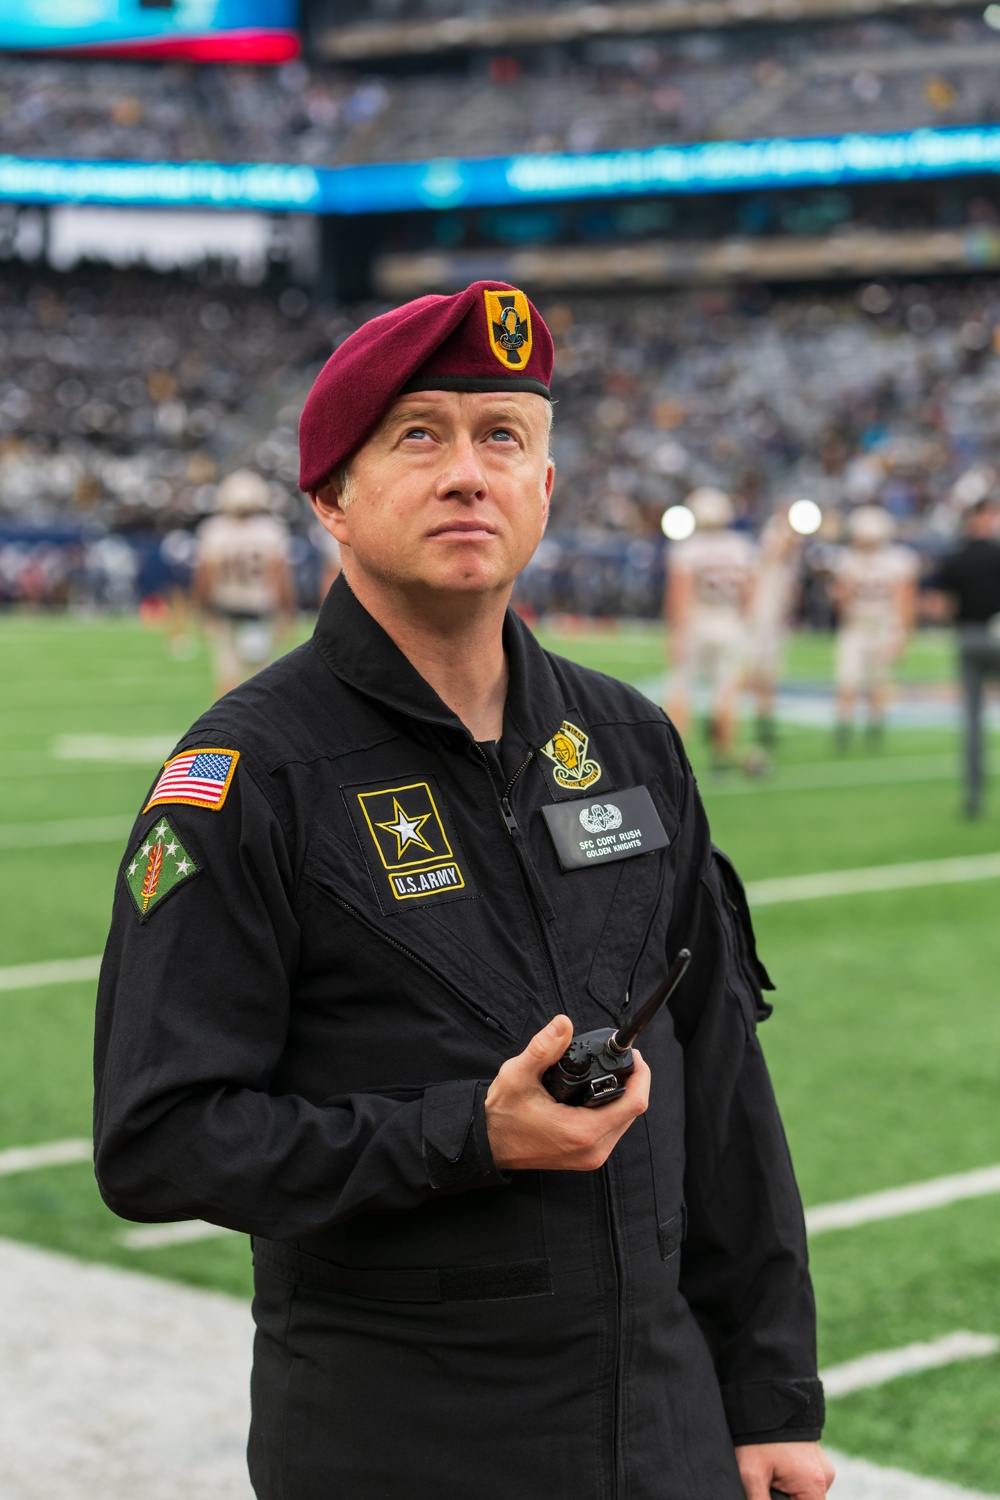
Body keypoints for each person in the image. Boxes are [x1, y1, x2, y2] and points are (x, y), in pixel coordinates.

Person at [93, 283, 832, 1500]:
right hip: (403, 1441)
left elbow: (721, 1082)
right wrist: (465, 1135)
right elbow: (157, 1143)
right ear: (330, 495)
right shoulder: (245, 775)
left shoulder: (629, 736)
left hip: (667, 1435)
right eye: (418, 435)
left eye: (503, 437)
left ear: (545, 487)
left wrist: (770, 1400)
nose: (467, 472)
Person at [665, 486, 756, 766]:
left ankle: (672, 756)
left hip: (697, 622)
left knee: (681, 688)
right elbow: (750, 592)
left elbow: (680, 596)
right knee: (726, 692)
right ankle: (723, 754)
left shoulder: (688, 549)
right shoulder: (742, 547)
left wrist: (676, 632)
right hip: (729, 623)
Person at [924, 498, 1000, 816]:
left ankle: (973, 796)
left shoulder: (956, 558)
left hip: (968, 637)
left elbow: (934, 601)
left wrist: (951, 620)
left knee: (972, 721)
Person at [193, 468, 296, 697]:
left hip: (226, 607)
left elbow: (203, 576)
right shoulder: (271, 531)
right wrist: (287, 610)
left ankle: (223, 727)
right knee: (261, 674)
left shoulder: (214, 531)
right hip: (259, 609)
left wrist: (203, 608)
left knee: (227, 674)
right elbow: (280, 577)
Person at [831, 504, 917, 749]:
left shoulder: (896, 561)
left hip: (883, 626)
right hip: (856, 625)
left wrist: (901, 634)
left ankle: (874, 729)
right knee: (848, 680)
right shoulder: (848, 560)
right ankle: (844, 729)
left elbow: (905, 601)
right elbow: (840, 603)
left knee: (878, 682)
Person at [745, 506, 803, 751]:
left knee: (768, 677)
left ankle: (764, 725)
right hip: (759, 621)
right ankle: (720, 721)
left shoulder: (786, 566)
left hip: (773, 621)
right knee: (748, 673)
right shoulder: (766, 556)